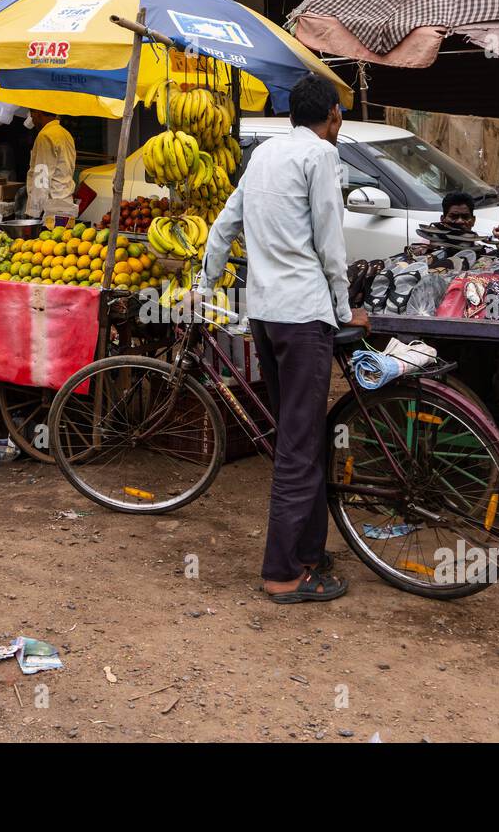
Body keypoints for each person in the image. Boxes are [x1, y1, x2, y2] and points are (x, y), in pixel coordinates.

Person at [201, 73, 368, 605]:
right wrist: (344, 309)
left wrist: (208, 283)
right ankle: (283, 573)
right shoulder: (319, 156)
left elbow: (225, 224)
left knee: (301, 438)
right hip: (303, 317)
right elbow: (329, 240)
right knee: (299, 446)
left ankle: (309, 553)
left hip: (267, 316)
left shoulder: (267, 154)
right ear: (333, 116)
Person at [25, 110, 76, 218]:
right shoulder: (66, 134)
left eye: (32, 116)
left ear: (38, 113)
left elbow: (41, 178)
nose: (32, 121)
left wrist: (34, 212)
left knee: (49, 235)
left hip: (51, 208)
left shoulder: (45, 135)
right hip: (66, 202)